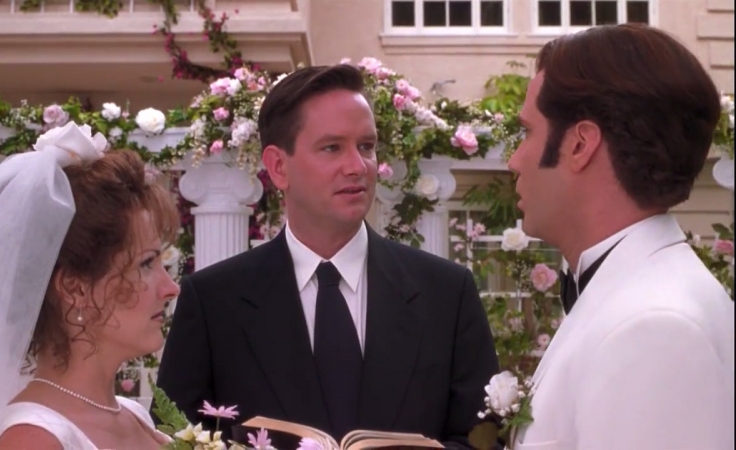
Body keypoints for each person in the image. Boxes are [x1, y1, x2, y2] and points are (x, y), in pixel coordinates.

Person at [155, 64, 500, 446]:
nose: (357, 167)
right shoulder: (213, 302)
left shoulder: (446, 294)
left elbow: (483, 441)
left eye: (366, 146)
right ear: (278, 167)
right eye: (332, 148)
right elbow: (174, 439)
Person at [507, 23, 735, 449]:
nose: (513, 161)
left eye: (527, 132)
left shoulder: (653, 328)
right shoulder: (641, 294)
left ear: (580, 145)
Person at [0, 121, 180, 449]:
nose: (171, 288)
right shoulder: (33, 440)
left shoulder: (135, 416)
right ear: (75, 289)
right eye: (146, 264)